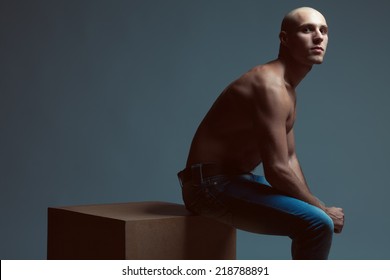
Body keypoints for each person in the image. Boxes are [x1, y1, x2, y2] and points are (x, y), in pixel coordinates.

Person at [177, 7, 344, 259]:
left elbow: (289, 159)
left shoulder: (287, 88)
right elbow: (276, 169)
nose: (319, 37)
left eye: (324, 30)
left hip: (235, 180)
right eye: (307, 29)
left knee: (318, 217)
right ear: (284, 39)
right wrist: (322, 210)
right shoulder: (270, 86)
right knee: (318, 224)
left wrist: (316, 204)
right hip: (207, 187)